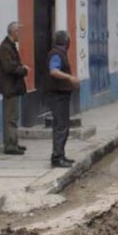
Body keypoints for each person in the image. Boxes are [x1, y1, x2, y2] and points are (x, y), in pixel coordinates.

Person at [0, 21, 29, 155]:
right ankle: (10, 146)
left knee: (13, 117)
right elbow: (9, 67)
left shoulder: (10, 46)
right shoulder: (5, 47)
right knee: (10, 118)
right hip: (9, 88)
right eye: (19, 32)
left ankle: (14, 143)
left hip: (13, 87)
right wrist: (23, 69)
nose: (21, 35)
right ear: (14, 33)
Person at [45, 30, 79, 168]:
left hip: (61, 94)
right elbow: (53, 71)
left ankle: (61, 154)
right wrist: (70, 77)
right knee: (61, 125)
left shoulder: (60, 53)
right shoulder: (56, 54)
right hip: (57, 95)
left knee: (62, 125)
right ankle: (57, 157)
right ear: (66, 41)